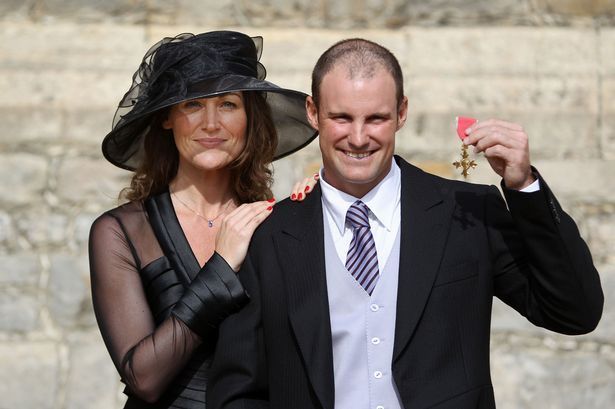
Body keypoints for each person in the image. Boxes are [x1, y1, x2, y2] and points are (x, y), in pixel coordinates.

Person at [207, 38, 604, 409]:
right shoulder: (268, 235)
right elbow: (237, 391)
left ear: (401, 112)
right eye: (342, 117)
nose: (358, 138)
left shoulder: (468, 212)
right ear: (313, 113)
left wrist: (523, 187)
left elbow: (574, 312)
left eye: (376, 118)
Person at [88, 31, 318, 408]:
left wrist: (314, 216)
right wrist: (223, 267)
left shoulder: (271, 222)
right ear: (167, 119)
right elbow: (143, 378)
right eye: (193, 104)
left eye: (227, 104)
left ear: (249, 118)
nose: (211, 124)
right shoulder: (121, 232)